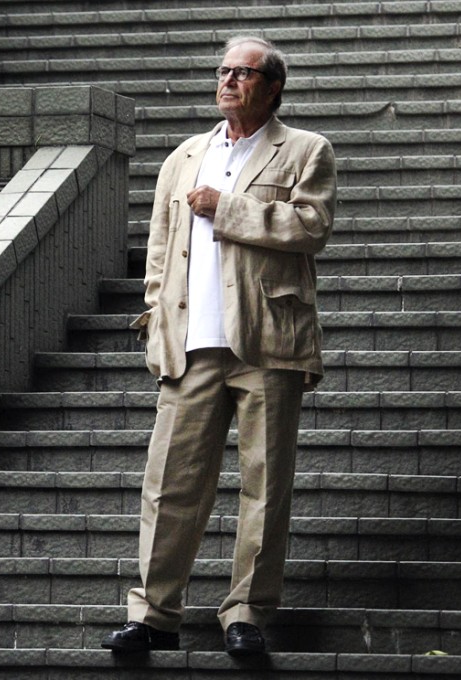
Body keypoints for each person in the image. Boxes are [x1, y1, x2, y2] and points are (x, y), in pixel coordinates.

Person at [101, 36, 337, 657]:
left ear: (273, 85)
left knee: (264, 484)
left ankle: (247, 614)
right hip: (191, 345)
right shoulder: (185, 155)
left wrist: (226, 208)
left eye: (244, 72)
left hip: (268, 343)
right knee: (168, 483)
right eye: (223, 70)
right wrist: (156, 315)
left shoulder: (306, 150)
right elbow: (159, 246)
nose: (229, 80)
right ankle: (154, 614)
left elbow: (311, 228)